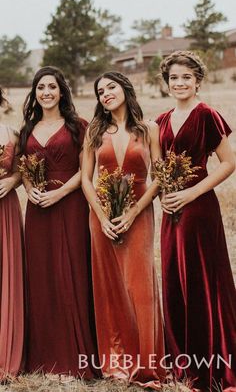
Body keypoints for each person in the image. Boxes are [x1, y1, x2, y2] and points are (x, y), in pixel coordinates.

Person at [156, 50, 236, 391]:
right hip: (169, 210)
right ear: (167, 82)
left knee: (203, 280)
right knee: (174, 276)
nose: (180, 83)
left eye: (186, 77)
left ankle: (214, 359)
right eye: (174, 77)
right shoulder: (160, 120)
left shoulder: (206, 114)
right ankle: (182, 360)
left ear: (198, 81)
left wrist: (191, 194)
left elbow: (229, 163)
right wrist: (164, 195)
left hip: (199, 208)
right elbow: (157, 169)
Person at [82, 71, 165, 390]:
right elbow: (86, 178)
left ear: (125, 89)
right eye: (100, 91)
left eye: (111, 87)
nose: (105, 94)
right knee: (110, 287)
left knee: (139, 286)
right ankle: (116, 361)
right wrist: (102, 217)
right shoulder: (94, 131)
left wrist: (132, 212)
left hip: (139, 213)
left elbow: (158, 177)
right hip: (100, 215)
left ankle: (148, 367)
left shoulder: (149, 130)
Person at [19, 66, 100, 380]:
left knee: (73, 272)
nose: (46, 92)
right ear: (35, 93)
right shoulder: (27, 128)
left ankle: (76, 356)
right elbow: (24, 168)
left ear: (62, 91)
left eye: (52, 86)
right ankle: (45, 354)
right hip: (38, 210)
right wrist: (29, 190)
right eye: (41, 87)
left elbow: (87, 170)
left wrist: (61, 192)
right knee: (42, 276)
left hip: (71, 205)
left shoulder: (78, 126)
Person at [0, 88, 24, 381]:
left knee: (7, 275)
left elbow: (21, 171)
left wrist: (12, 182)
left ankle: (6, 349)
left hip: (4, 209)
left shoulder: (12, 133)